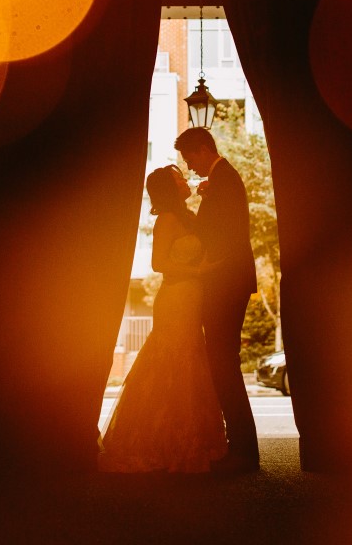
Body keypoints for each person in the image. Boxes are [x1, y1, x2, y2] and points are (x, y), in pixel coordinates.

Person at [100, 165, 228, 473]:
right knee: (172, 362)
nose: (185, 180)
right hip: (176, 297)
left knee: (190, 360)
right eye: (179, 178)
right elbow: (159, 262)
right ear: (169, 189)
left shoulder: (187, 216)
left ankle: (188, 437)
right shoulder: (167, 219)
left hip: (192, 296)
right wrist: (198, 271)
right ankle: (161, 442)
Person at [174, 126, 260, 474]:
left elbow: (225, 233)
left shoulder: (224, 179)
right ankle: (240, 447)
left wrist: (206, 265)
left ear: (203, 148)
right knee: (223, 363)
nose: (189, 166)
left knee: (223, 363)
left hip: (225, 282)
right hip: (228, 281)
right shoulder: (223, 179)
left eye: (189, 158)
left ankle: (243, 451)